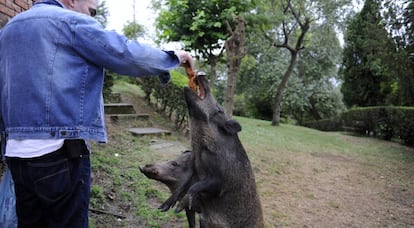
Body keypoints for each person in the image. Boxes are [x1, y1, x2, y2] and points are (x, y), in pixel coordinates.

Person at [0, 0, 194, 227]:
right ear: (72, 1)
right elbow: (125, 53)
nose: (92, 19)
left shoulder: (8, 30)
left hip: (16, 156)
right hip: (59, 155)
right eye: (91, 11)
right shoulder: (70, 22)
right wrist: (172, 58)